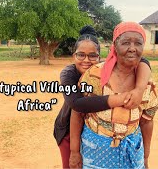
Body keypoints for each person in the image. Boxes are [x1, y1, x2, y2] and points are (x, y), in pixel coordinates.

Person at [53, 25, 152, 168]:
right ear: (73, 55)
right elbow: (77, 104)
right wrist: (121, 98)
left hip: (93, 132)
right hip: (68, 128)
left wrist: (139, 89)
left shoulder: (104, 69)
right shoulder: (69, 74)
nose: (86, 60)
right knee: (71, 165)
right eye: (81, 55)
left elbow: (143, 61)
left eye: (92, 56)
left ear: (100, 57)